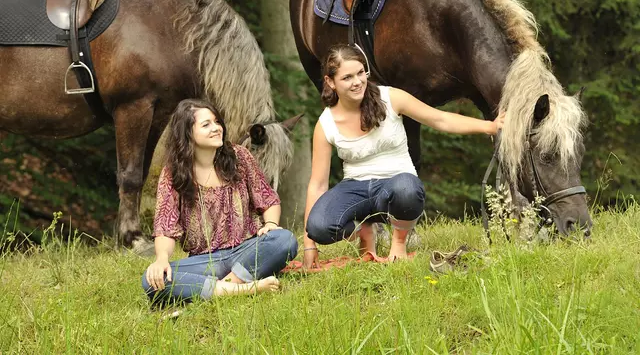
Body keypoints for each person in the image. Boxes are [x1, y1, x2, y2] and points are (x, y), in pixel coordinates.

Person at [303, 45, 505, 267]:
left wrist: (490, 127)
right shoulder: (326, 124)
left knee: (407, 189)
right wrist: (309, 245)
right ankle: (364, 233)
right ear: (331, 82)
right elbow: (318, 184)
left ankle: (398, 243)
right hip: (355, 188)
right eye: (347, 77)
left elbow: (439, 119)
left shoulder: (391, 98)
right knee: (318, 227)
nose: (357, 82)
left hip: (396, 183)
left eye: (361, 73)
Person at [142, 99, 298, 304]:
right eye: (206, 125)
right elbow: (165, 226)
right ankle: (244, 288)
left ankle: (220, 288)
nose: (216, 128)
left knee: (284, 240)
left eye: (217, 122)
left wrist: (270, 224)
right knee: (152, 280)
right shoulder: (174, 173)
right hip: (206, 260)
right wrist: (162, 259)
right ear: (187, 133)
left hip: (248, 249)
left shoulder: (240, 156)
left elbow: (268, 199)